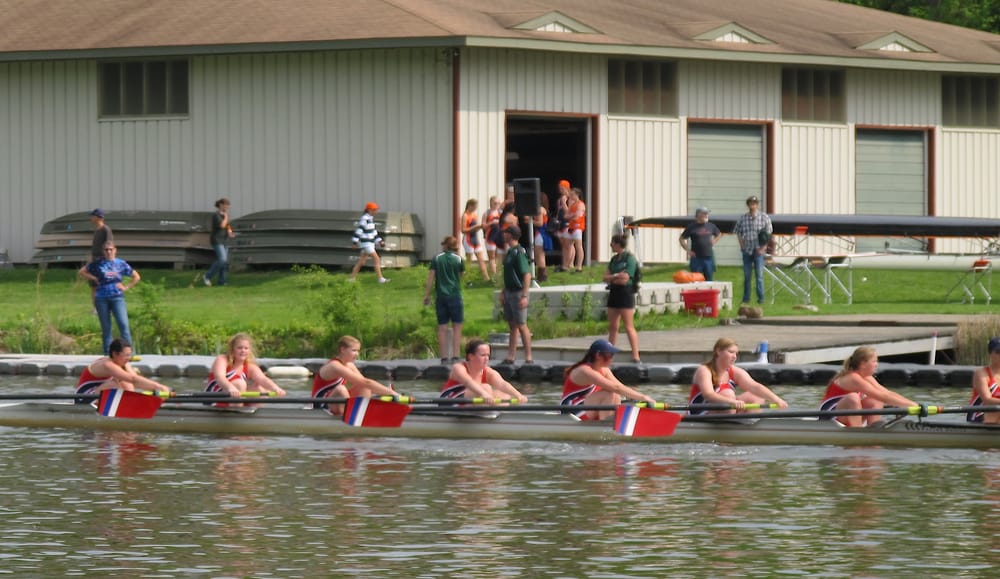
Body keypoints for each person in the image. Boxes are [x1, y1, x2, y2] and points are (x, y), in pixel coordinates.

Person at [820, 346, 918, 427]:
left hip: (845, 415)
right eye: (874, 361)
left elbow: (887, 393)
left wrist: (914, 404)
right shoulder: (853, 378)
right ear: (863, 364)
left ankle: (874, 429)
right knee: (853, 398)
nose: (877, 365)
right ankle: (858, 434)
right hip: (829, 417)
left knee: (875, 400)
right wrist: (913, 406)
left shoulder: (866, 377)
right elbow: (883, 396)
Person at [560, 339, 655, 421]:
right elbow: (615, 388)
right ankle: (607, 427)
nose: (612, 358)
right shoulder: (584, 370)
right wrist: (643, 397)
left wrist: (635, 398)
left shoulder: (604, 369)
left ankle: (610, 422)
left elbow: (621, 387)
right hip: (571, 412)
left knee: (620, 396)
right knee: (611, 393)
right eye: (610, 355)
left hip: (587, 407)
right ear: (598, 355)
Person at [689, 337, 788, 414]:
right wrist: (732, 402)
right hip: (700, 413)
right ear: (718, 351)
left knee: (756, 397)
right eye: (731, 352)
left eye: (736, 353)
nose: (734, 357)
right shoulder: (705, 370)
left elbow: (755, 387)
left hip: (724, 410)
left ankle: (747, 425)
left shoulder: (734, 372)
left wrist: (777, 399)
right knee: (728, 394)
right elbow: (709, 395)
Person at [78, 241, 140, 355]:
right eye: (106, 250)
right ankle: (108, 353)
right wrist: (94, 278)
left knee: (123, 324)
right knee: (106, 327)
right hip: (101, 297)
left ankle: (129, 353)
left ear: (115, 250)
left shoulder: (121, 263)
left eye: (111, 249)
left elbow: (136, 276)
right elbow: (82, 271)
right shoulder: (98, 264)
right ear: (103, 251)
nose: (109, 252)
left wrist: (126, 287)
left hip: (117, 297)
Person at [311, 335, 398, 416]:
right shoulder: (334, 366)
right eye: (354, 350)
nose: (357, 354)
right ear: (342, 350)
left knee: (364, 387)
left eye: (358, 351)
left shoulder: (349, 365)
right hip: (320, 405)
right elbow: (366, 382)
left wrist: (387, 393)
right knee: (341, 389)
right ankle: (350, 417)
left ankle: (361, 415)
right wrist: (393, 393)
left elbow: (366, 384)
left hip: (333, 403)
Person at [75, 338, 172, 402]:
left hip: (98, 394)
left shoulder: (122, 363)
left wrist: (159, 392)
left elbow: (136, 380)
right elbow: (133, 379)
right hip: (84, 398)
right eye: (126, 355)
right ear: (115, 354)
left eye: (130, 355)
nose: (129, 358)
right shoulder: (107, 364)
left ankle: (131, 406)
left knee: (125, 383)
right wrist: (159, 387)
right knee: (115, 384)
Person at [441, 339, 528, 403]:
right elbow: (468, 382)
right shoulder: (458, 368)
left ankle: (494, 420)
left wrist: (518, 395)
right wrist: (484, 394)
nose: (486, 359)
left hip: (469, 401)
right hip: (449, 401)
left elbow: (502, 384)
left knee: (504, 395)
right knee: (486, 388)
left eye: (488, 355)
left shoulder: (488, 372)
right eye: (483, 355)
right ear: (471, 356)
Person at [206, 332, 287, 399]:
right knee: (240, 384)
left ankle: (254, 416)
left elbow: (263, 379)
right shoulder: (222, 359)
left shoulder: (250, 366)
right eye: (239, 348)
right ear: (232, 349)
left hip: (235, 397)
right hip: (215, 398)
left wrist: (276, 388)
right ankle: (237, 415)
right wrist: (230, 387)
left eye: (246, 348)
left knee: (260, 389)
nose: (243, 351)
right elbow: (220, 378)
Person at [423, 236, 465, 365]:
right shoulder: (459, 259)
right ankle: (456, 356)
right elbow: (461, 276)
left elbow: (431, 278)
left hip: (441, 296)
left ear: (446, 245)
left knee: (442, 327)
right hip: (454, 295)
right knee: (457, 326)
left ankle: (444, 357)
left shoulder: (437, 258)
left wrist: (427, 295)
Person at [603, 234, 641, 363]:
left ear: (618, 244)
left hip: (626, 293)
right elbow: (605, 277)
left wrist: (614, 278)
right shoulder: (614, 260)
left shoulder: (629, 259)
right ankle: (609, 356)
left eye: (612, 243)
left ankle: (636, 356)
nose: (611, 246)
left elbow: (625, 279)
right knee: (613, 326)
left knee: (628, 326)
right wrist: (615, 276)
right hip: (614, 293)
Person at [499, 225, 532, 364]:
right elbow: (508, 274)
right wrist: (503, 291)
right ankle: (511, 355)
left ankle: (528, 356)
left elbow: (527, 275)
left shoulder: (519, 252)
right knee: (512, 324)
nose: (503, 235)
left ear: (511, 235)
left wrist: (524, 295)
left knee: (521, 324)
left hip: (518, 292)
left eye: (506, 233)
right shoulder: (509, 252)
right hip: (509, 291)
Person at [733, 195, 772, 304]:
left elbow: (768, 234)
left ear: (757, 205)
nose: (752, 205)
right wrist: (742, 245)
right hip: (747, 250)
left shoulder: (764, 217)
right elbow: (738, 232)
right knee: (747, 276)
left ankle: (761, 298)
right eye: (750, 203)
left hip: (759, 250)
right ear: (748, 205)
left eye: (754, 203)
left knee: (759, 276)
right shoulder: (743, 218)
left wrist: (763, 248)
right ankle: (746, 298)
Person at [679, 206, 723, 281]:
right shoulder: (691, 227)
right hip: (696, 257)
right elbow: (681, 239)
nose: (707, 215)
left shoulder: (711, 226)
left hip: (708, 257)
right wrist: (688, 250)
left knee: (709, 279)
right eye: (704, 214)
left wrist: (714, 241)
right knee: (695, 279)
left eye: (707, 214)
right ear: (698, 214)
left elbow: (719, 234)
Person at [349, 201, 388, 283]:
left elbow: (373, 232)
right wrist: (354, 242)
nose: (376, 212)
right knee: (377, 259)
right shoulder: (365, 219)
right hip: (366, 244)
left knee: (361, 262)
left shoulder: (370, 219)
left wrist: (380, 241)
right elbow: (359, 231)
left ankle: (352, 278)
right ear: (369, 210)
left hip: (369, 243)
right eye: (374, 210)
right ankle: (380, 279)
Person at [968, 337, 1000, 423]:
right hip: (979, 415)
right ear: (990, 354)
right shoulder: (981, 374)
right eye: (998, 352)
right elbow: (987, 400)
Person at [204, 197, 234, 287]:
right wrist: (226, 217)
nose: (227, 208)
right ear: (221, 205)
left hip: (225, 240)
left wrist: (230, 232)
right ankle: (207, 276)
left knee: (224, 262)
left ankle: (222, 281)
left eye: (228, 206)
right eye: (226, 205)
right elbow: (222, 225)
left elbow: (227, 226)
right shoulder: (216, 215)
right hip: (217, 240)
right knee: (222, 259)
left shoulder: (225, 215)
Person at [460, 198, 490, 282]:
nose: (475, 209)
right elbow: (463, 230)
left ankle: (486, 278)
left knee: (481, 258)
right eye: (474, 207)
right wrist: (476, 227)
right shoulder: (465, 215)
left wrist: (480, 227)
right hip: (468, 239)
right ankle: (466, 279)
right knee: (469, 260)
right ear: (470, 206)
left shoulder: (474, 215)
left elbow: (475, 228)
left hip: (475, 238)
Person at [530, 192, 550, 282]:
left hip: (540, 233)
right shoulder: (544, 209)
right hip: (542, 234)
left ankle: (541, 276)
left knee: (539, 255)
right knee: (540, 255)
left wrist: (530, 221)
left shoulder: (539, 209)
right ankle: (542, 275)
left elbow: (540, 223)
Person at [566, 187, 587, 272]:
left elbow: (576, 216)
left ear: (577, 195)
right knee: (568, 246)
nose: (571, 195)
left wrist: (571, 215)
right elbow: (567, 215)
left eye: (573, 194)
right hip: (571, 227)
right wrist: (571, 215)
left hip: (577, 227)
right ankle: (569, 264)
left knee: (579, 247)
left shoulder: (581, 204)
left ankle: (579, 266)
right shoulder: (573, 204)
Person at [482, 196, 503, 279]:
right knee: (492, 257)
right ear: (490, 203)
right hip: (490, 236)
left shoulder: (501, 212)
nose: (496, 205)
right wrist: (491, 223)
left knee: (499, 256)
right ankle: (494, 276)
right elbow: (483, 226)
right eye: (495, 203)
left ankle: (499, 274)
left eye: (498, 203)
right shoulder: (487, 213)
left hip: (499, 236)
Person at [555, 180, 572, 272]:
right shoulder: (560, 199)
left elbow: (569, 212)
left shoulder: (569, 199)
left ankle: (569, 264)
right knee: (563, 245)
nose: (560, 190)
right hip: (560, 223)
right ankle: (564, 263)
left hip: (567, 223)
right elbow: (559, 211)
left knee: (568, 245)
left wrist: (564, 203)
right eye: (559, 188)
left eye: (562, 188)